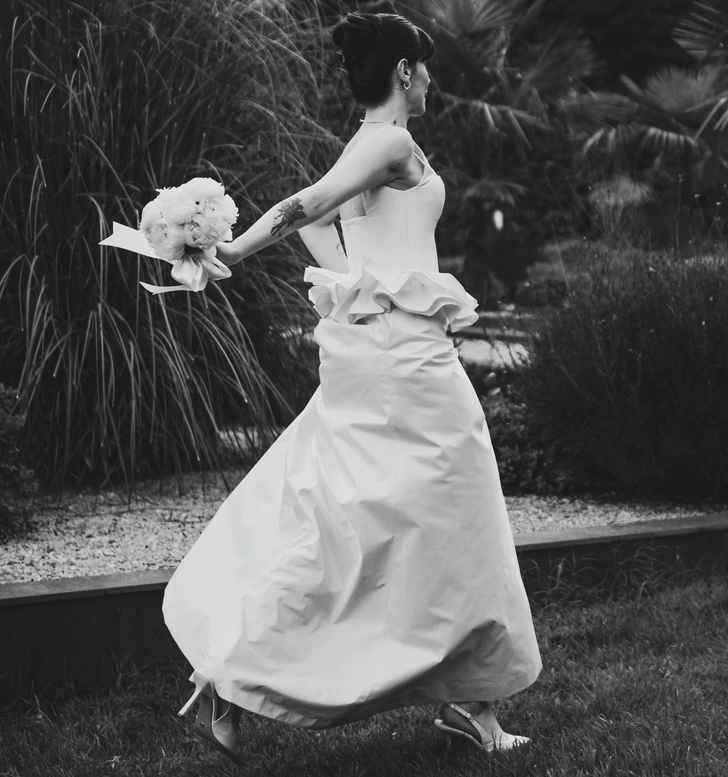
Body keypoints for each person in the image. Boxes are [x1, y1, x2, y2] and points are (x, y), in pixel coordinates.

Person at [163, 7, 542, 765]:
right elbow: (304, 206)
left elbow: (321, 226)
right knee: (450, 511)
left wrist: (359, 279)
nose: (431, 80)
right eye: (425, 68)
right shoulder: (389, 142)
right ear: (404, 71)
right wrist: (227, 250)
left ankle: (460, 698)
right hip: (405, 366)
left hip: (385, 352)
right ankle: (459, 699)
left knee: (367, 518)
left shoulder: (369, 143)